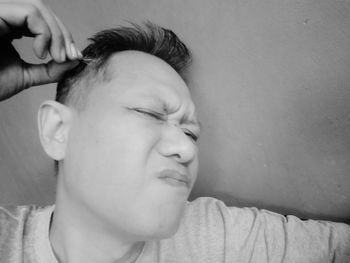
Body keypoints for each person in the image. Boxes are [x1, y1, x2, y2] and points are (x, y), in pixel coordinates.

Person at [0, 1, 349, 262]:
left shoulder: (218, 237)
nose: (186, 149)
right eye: (150, 112)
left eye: (192, 133)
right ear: (58, 130)